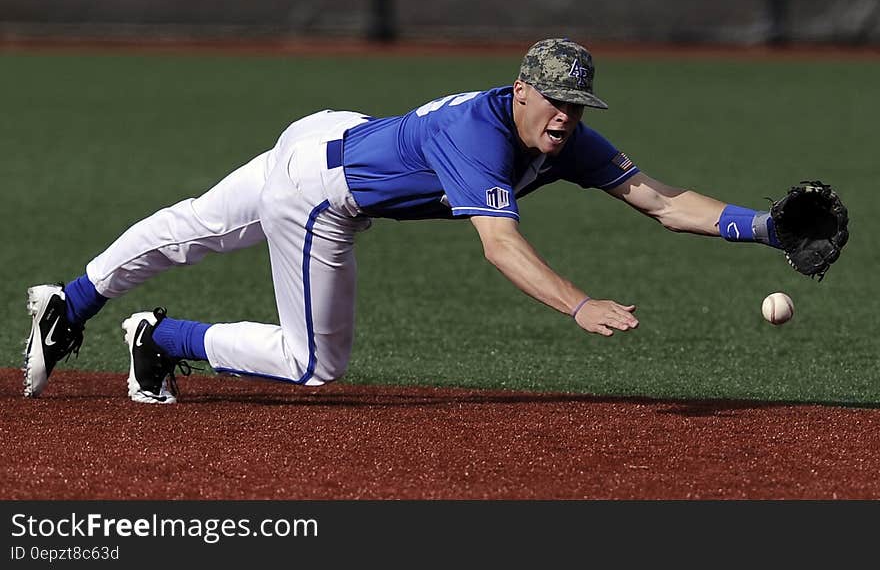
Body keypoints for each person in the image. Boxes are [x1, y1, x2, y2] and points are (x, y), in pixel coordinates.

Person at [23, 38, 782, 404]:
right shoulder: (481, 139)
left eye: (576, 105)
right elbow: (501, 244)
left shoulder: (562, 140)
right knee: (313, 364)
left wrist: (769, 226)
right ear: (520, 89)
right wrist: (578, 303)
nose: (565, 116)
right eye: (553, 99)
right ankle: (156, 338)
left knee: (193, 226)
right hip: (322, 189)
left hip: (325, 135)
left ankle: (73, 299)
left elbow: (662, 200)